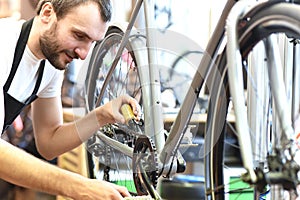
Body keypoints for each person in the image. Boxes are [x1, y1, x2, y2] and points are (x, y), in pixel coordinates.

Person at [0, 0, 141, 199]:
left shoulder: (49, 65)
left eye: (91, 42)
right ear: (48, 13)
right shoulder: (3, 45)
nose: (83, 54)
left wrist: (101, 116)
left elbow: (49, 142)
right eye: (78, 35)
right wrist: (78, 186)